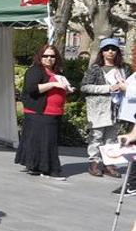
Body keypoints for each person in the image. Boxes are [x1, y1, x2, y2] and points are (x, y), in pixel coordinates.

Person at [16, 43, 72, 179]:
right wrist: (53, 84)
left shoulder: (58, 72)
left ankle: (35, 166)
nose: (49, 59)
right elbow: (32, 89)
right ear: (40, 57)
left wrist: (68, 89)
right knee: (47, 142)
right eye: (45, 56)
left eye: (52, 56)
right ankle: (50, 170)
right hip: (40, 112)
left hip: (55, 112)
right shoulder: (35, 70)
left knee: (42, 141)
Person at [81, 38, 127, 178]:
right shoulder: (95, 69)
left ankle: (109, 164)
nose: (110, 52)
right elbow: (84, 86)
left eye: (113, 49)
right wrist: (108, 88)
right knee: (97, 136)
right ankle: (94, 163)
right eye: (107, 49)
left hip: (117, 108)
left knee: (111, 138)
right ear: (102, 52)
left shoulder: (124, 69)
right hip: (99, 108)